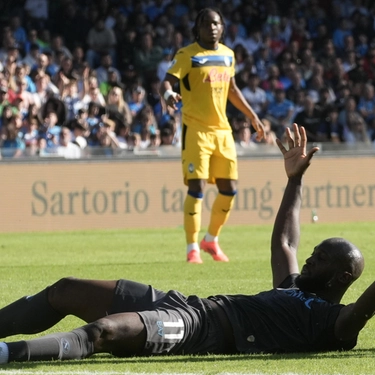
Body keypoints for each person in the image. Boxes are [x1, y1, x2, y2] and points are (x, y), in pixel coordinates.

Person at [0, 124, 372, 363]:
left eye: (320, 258)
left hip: (198, 330)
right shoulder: (293, 286)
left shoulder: (333, 324)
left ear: (340, 277)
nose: (309, 258)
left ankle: (6, 354)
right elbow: (286, 242)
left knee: (103, 332)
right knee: (65, 289)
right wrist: (294, 180)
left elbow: (364, 308)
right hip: (185, 304)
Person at [160, 7, 265, 263]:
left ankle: (211, 239)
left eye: (216, 23)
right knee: (196, 188)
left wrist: (252, 116)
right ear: (198, 28)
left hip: (223, 130)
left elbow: (232, 89)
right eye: (206, 24)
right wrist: (168, 94)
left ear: (223, 27)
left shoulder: (228, 56)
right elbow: (166, 81)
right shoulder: (187, 55)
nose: (212, 28)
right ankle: (192, 248)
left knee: (229, 189)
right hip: (196, 130)